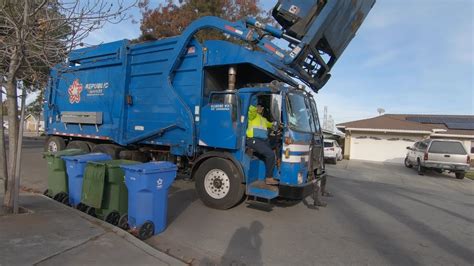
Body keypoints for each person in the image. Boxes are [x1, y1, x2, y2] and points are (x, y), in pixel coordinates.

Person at [246, 104, 279, 185]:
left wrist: (277, 124)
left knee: (277, 145)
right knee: (270, 155)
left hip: (263, 141)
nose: (260, 108)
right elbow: (251, 110)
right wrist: (255, 108)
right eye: (259, 107)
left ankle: (277, 170)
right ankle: (269, 178)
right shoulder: (252, 116)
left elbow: (271, 125)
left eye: (261, 107)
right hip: (253, 140)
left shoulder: (263, 119)